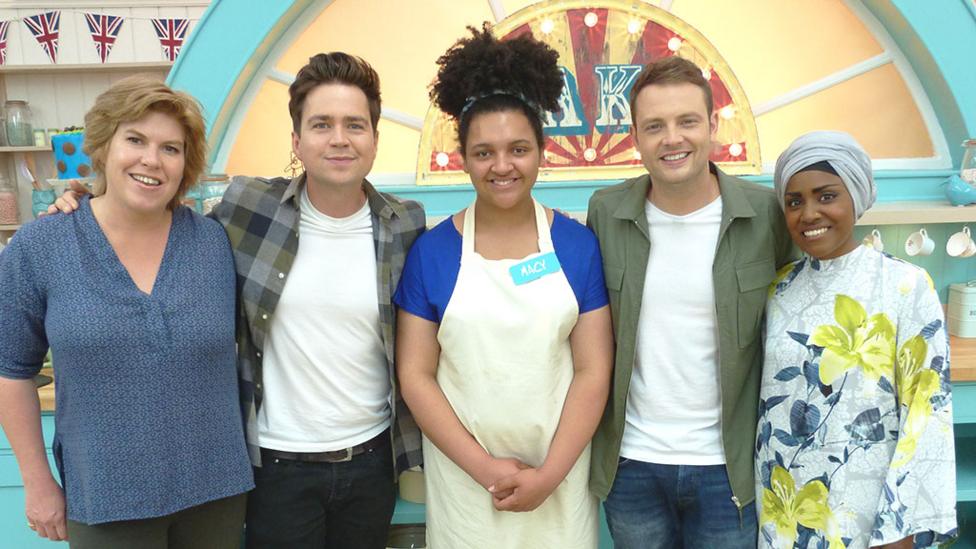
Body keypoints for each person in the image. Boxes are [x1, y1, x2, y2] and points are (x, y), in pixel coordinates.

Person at [51, 53, 426, 549]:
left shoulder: (406, 224)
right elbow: (156, 207)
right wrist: (85, 197)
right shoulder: (248, 207)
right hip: (274, 466)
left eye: (355, 125)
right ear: (296, 141)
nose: (339, 138)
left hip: (374, 461)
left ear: (375, 140)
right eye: (321, 124)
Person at [0, 75, 253, 548]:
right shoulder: (41, 246)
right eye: (135, 139)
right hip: (104, 500)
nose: (151, 160)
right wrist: (37, 484)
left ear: (186, 163)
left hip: (216, 495)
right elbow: (11, 371)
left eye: (171, 148)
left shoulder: (214, 243)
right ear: (102, 146)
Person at [394, 25, 613, 548]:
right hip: (467, 488)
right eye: (484, 152)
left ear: (541, 151)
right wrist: (486, 468)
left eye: (518, 149)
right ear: (464, 158)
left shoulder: (577, 246)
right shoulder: (432, 252)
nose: (502, 166)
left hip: (558, 481)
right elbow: (416, 375)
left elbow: (592, 370)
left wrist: (549, 474)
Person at [586, 55, 798, 548]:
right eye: (654, 126)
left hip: (730, 468)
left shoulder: (765, 213)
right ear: (635, 138)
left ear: (713, 125)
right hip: (632, 462)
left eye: (687, 121)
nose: (672, 138)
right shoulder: (606, 211)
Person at [756, 131, 957, 549]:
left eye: (826, 196)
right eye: (794, 201)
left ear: (857, 197)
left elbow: (926, 411)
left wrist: (900, 524)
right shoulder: (777, 292)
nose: (809, 213)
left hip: (869, 516)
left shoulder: (905, 286)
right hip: (786, 513)